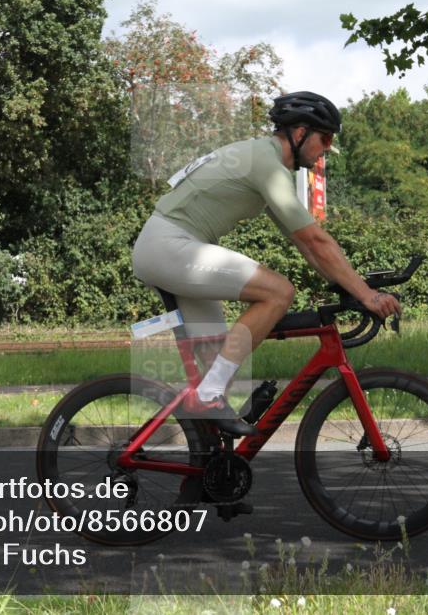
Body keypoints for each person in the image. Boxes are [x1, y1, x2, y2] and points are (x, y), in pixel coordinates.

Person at [131, 91, 402, 435]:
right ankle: (208, 398)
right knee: (277, 292)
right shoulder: (266, 164)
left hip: (173, 247)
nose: (325, 150)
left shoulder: (264, 161)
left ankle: (207, 470)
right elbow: (314, 241)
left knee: (220, 368)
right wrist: (367, 295)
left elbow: (306, 246)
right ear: (300, 132)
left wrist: (350, 284)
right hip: (168, 245)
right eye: (324, 139)